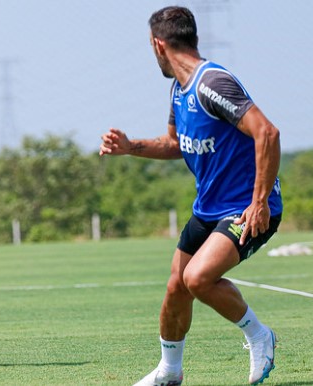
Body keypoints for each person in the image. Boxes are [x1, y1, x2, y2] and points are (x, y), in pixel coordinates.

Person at [99, 6, 282, 386]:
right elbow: (173, 143)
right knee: (175, 285)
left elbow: (267, 133)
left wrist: (260, 201)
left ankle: (260, 336)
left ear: (157, 44)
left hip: (245, 208)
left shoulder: (211, 83)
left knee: (197, 278)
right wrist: (132, 146)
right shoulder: (179, 90)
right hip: (209, 208)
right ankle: (169, 371)